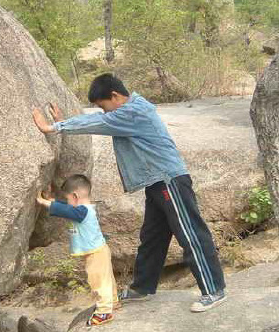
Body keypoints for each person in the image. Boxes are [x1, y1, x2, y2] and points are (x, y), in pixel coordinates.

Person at [32, 73, 227, 313]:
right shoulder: (126, 112)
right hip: (156, 182)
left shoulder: (134, 112)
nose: (105, 113)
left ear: (115, 96)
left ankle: (214, 289)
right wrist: (66, 123)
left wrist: (54, 127)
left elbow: (101, 124)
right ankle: (142, 288)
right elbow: (99, 121)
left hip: (169, 181)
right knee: (152, 237)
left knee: (191, 234)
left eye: (104, 107)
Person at [36, 174, 119, 327]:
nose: (67, 202)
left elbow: (67, 210)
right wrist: (52, 200)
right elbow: (67, 208)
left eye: (68, 199)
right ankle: (112, 301)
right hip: (98, 251)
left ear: (75, 196)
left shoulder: (83, 211)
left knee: (98, 282)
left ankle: (104, 312)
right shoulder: (82, 209)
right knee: (107, 279)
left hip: (96, 253)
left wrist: (43, 203)